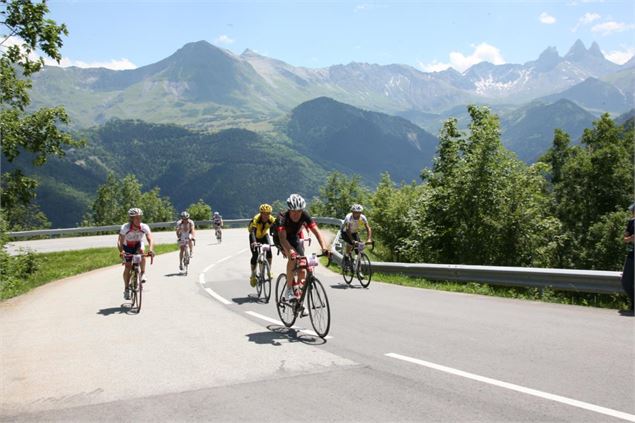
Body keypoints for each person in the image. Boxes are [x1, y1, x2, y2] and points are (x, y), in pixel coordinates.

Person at [275, 194, 329, 301]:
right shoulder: (281, 218)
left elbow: (317, 232)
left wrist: (324, 247)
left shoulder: (305, 215)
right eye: (293, 211)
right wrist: (290, 251)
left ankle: (299, 291)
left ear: (302, 210)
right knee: (292, 258)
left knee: (303, 265)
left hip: (293, 237)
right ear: (289, 210)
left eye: (299, 211)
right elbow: (283, 239)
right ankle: (289, 290)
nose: (296, 214)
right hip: (280, 237)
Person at [117, 208, 154, 300]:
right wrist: (121, 251)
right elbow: (119, 241)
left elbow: (150, 239)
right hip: (127, 246)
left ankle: (142, 273)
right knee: (128, 267)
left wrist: (150, 249)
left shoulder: (144, 227)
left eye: (140, 217)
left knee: (142, 252)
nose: (139, 220)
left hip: (137, 244)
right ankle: (126, 289)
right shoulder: (125, 228)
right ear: (131, 219)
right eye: (136, 218)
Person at [248, 204, 275, 287]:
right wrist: (254, 242)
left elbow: (276, 231)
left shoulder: (272, 219)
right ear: (261, 213)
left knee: (269, 251)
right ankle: (253, 274)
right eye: (264, 214)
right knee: (255, 255)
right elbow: (252, 232)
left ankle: (269, 271)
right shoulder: (256, 219)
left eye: (268, 214)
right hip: (254, 236)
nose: (266, 216)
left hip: (264, 235)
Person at [621, 203, 634, 311]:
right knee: (625, 281)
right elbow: (625, 239)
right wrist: (631, 238)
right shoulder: (631, 222)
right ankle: (633, 300)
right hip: (631, 255)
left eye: (633, 210)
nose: (632, 212)